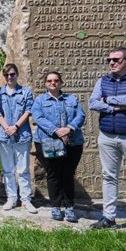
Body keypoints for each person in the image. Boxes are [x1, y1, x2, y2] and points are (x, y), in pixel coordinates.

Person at [88, 47, 126, 231]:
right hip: (107, 136)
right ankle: (108, 217)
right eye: (109, 60)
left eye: (116, 60)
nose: (111, 63)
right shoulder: (103, 80)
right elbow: (93, 102)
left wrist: (108, 100)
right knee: (109, 177)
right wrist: (114, 107)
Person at [31, 71, 85, 222]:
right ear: (45, 83)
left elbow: (80, 115)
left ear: (61, 82)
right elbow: (38, 118)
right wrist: (56, 131)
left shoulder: (72, 99)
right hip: (48, 142)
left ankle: (69, 207)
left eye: (56, 80)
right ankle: (55, 206)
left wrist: (69, 128)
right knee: (53, 174)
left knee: (68, 174)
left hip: (73, 142)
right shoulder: (40, 101)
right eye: (49, 81)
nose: (53, 83)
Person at [0, 63, 36, 214]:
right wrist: (6, 127)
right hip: (4, 136)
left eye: (12, 74)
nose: (9, 77)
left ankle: (26, 199)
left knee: (23, 169)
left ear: (17, 74)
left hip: (21, 135)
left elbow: (28, 110)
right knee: (8, 169)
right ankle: (11, 197)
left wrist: (15, 127)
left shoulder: (25, 92)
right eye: (6, 75)